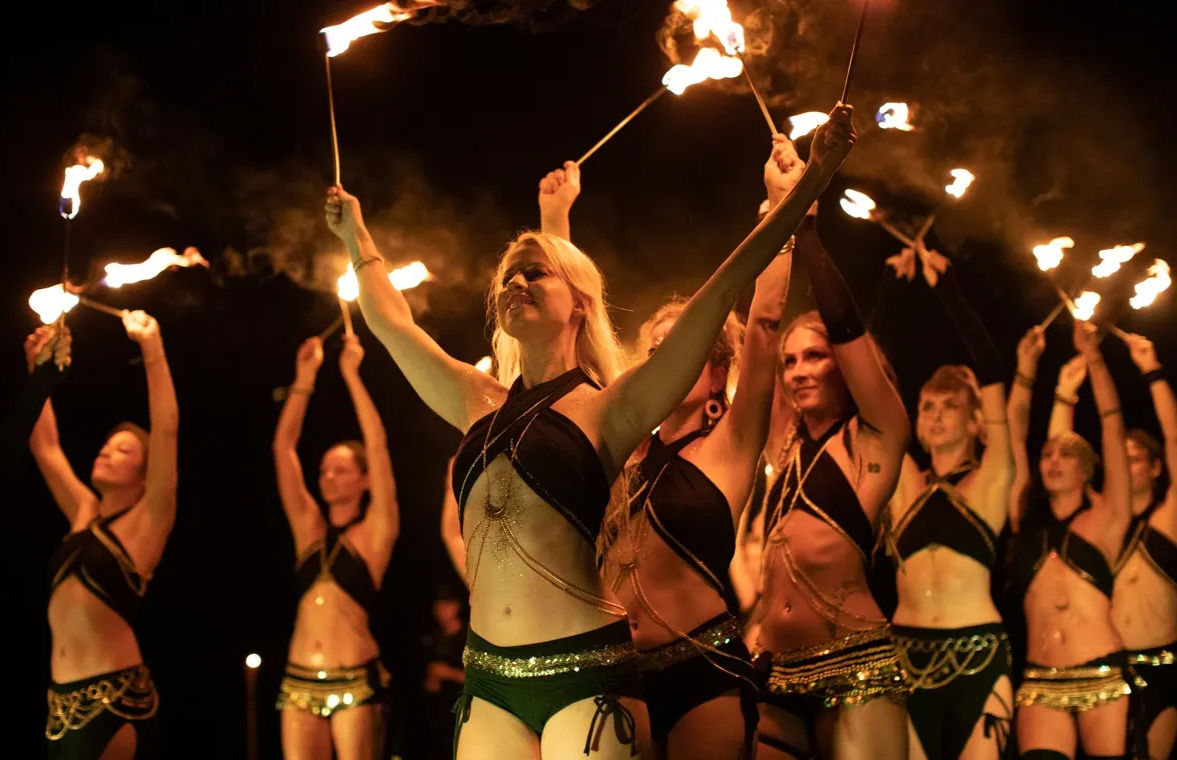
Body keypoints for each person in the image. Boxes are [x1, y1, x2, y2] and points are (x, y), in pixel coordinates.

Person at [325, 104, 856, 759]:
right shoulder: (476, 399)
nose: (515, 283)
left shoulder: (610, 410)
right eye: (507, 278)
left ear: (578, 301)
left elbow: (722, 294)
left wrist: (806, 187)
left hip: (584, 675)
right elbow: (391, 324)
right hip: (489, 677)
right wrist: (356, 239)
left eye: (534, 274)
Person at [591, 134, 802, 760]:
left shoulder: (731, 444)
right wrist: (554, 222)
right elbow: (575, 358)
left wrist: (780, 209)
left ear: (715, 373)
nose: (662, 360)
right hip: (617, 676)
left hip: (702, 667)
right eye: (654, 350)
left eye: (678, 347)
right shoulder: (625, 452)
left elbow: (764, 321)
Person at [754, 207, 912, 758]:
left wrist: (808, 234)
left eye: (815, 357)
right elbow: (760, 334)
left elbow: (848, 326)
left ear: (842, 365)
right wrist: (775, 234)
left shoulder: (875, 437)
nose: (798, 370)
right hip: (775, 674)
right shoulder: (783, 445)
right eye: (791, 361)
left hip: (855, 667)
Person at [879, 249, 1015, 760]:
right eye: (927, 406)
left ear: (976, 419)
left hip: (978, 656)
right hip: (905, 657)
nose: (934, 415)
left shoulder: (994, 475)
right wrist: (890, 294)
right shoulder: (903, 477)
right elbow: (867, 378)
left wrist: (951, 294)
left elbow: (994, 374)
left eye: (950, 405)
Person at [29, 312, 179, 760]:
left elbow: (167, 428)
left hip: (115, 702)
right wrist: (40, 370)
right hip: (60, 705)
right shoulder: (82, 513)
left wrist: (152, 349)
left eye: (123, 450)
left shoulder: (149, 520)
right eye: (107, 445)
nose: (107, 451)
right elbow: (46, 446)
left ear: (144, 472)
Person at [1007, 320, 1135, 759]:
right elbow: (1014, 436)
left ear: (1088, 469)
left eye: (1067, 454)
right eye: (1048, 454)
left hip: (1102, 676)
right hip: (1040, 679)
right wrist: (1027, 368)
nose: (1053, 460)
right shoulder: (1025, 515)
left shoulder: (1109, 516)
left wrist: (1095, 360)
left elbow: (1113, 429)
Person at [1049, 332, 1177, 760]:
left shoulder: (1168, 519)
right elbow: (1060, 460)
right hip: (1104, 669)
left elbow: (1176, 440)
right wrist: (1065, 394)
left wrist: (1153, 372)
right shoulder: (1102, 517)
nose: (1124, 462)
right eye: (1118, 455)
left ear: (1156, 467)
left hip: (1161, 670)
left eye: (1136, 456)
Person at [272, 334, 400, 760]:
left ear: (363, 480)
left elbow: (378, 447)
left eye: (341, 470)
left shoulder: (376, 530)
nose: (328, 477)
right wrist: (304, 378)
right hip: (297, 680)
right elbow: (283, 448)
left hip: (354, 680)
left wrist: (351, 375)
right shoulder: (307, 525)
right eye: (325, 470)